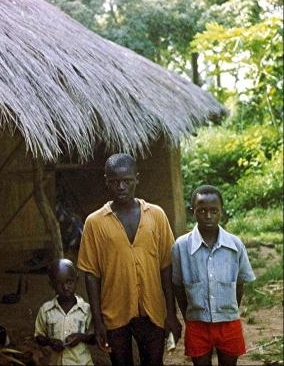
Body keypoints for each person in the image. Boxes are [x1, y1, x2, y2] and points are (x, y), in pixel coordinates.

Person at [77, 153, 182, 366]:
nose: (121, 187)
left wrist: (171, 313)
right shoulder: (94, 222)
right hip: (114, 313)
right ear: (106, 182)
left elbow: (166, 268)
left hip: (153, 311)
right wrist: (98, 322)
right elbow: (91, 274)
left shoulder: (156, 215)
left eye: (127, 181)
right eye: (115, 182)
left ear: (137, 179)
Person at [172, 185, 256, 366]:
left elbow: (239, 284)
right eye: (202, 210)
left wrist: (228, 311)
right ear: (192, 212)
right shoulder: (181, 246)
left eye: (214, 211)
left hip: (229, 322)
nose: (208, 216)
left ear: (221, 212)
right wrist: (190, 317)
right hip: (197, 324)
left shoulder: (235, 245)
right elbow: (178, 287)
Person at [34, 259, 94, 365]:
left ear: (77, 280)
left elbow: (94, 337)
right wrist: (50, 341)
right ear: (51, 284)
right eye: (59, 284)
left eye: (69, 282)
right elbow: (38, 336)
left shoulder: (86, 310)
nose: (65, 287)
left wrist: (81, 337)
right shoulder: (46, 310)